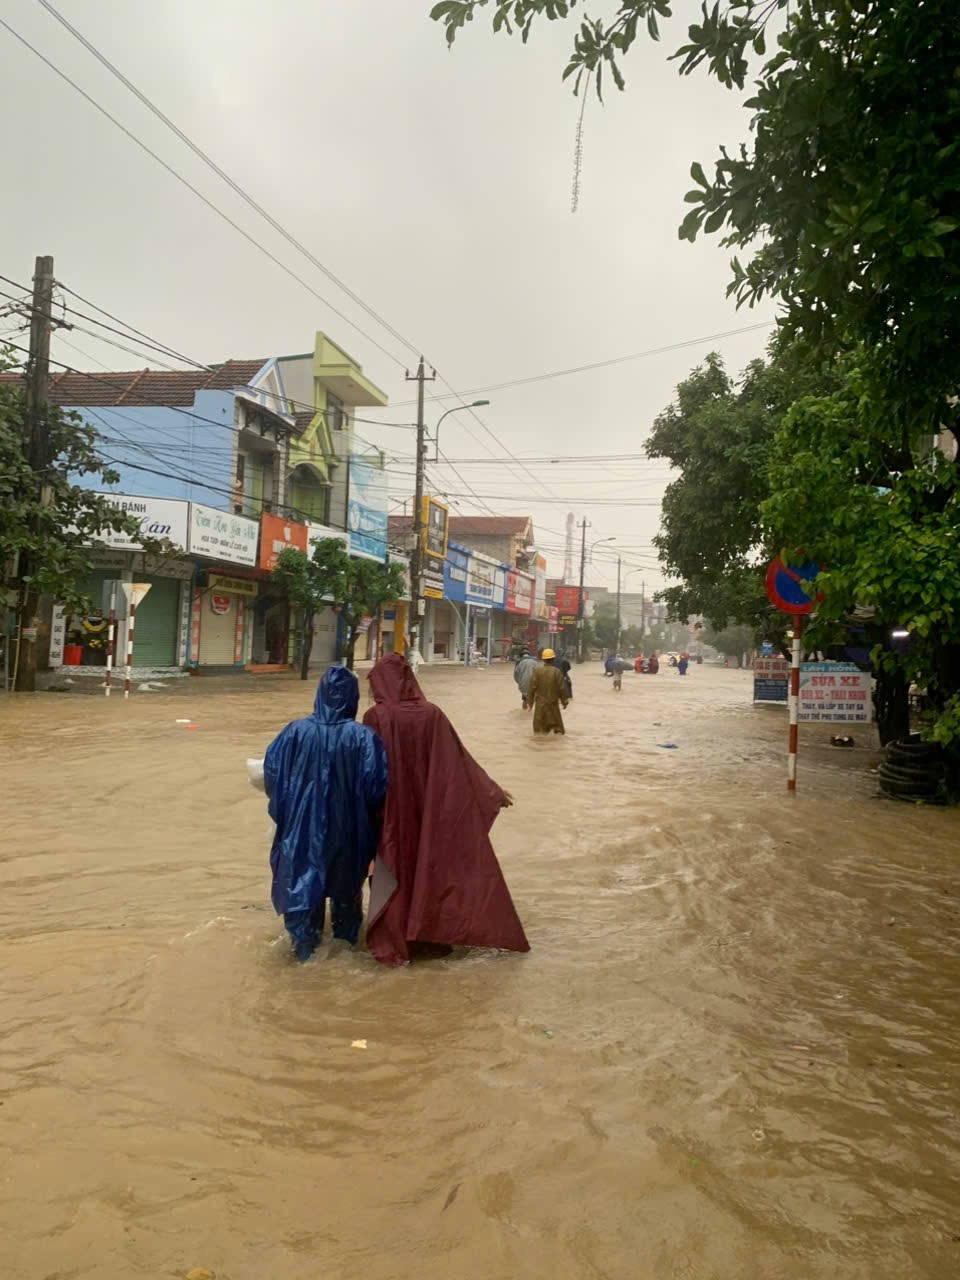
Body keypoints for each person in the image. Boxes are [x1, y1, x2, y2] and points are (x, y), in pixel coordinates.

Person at [362, 652, 529, 967]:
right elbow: (458, 761)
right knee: (429, 870)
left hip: (392, 814)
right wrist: (492, 792)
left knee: (394, 868)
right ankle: (429, 938)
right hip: (432, 814)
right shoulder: (433, 714)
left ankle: (398, 943)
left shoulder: (376, 717)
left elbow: (369, 771)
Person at [264, 665, 387, 962]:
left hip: (301, 831)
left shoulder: (294, 732)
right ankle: (344, 949)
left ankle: (304, 956)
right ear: (352, 698)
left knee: (302, 891)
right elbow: (376, 787)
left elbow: (271, 775)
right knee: (346, 894)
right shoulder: (363, 738)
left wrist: (290, 810)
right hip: (349, 831)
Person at [527, 648, 569, 735]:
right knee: (558, 732)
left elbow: (531, 689)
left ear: (543, 659)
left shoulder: (537, 671)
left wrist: (530, 703)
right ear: (553, 659)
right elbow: (562, 689)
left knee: (539, 733)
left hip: (540, 708)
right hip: (553, 706)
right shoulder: (556, 672)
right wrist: (564, 701)